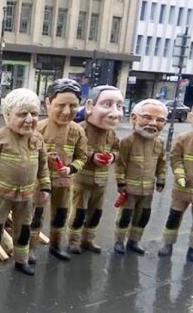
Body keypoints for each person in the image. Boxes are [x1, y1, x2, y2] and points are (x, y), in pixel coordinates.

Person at [0, 88, 51, 276]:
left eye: (34, 114)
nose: (29, 119)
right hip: (1, 195)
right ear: (7, 116)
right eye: (22, 114)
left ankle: (21, 260)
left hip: (27, 197)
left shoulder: (37, 138)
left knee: (23, 230)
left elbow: (43, 165)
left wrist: (45, 187)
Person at [30, 78, 87, 263]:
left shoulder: (78, 131)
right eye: (61, 105)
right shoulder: (38, 128)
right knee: (35, 216)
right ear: (48, 103)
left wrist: (71, 168)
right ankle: (29, 248)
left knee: (61, 215)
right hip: (40, 183)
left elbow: (82, 157)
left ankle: (56, 245)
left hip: (64, 183)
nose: (66, 111)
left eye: (73, 106)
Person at [68, 85, 124, 254]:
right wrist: (92, 156)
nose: (115, 112)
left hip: (101, 181)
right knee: (79, 212)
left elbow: (116, 149)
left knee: (96, 213)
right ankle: (73, 240)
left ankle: (88, 239)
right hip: (81, 180)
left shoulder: (112, 133)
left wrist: (112, 157)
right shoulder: (80, 129)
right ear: (91, 106)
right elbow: (73, 150)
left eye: (119, 106)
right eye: (108, 104)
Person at [114, 99, 167, 255]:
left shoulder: (159, 143)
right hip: (129, 190)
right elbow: (120, 164)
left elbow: (162, 163)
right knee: (125, 216)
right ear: (134, 117)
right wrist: (120, 182)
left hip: (148, 190)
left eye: (159, 120)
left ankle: (134, 241)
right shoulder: (126, 142)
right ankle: (119, 241)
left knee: (142, 216)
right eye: (147, 117)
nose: (153, 123)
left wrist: (161, 179)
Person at [158, 112, 193, 262]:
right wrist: (180, 175)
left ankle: (192, 249)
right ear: (191, 117)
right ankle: (168, 244)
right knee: (174, 216)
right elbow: (175, 158)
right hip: (182, 188)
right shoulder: (183, 138)